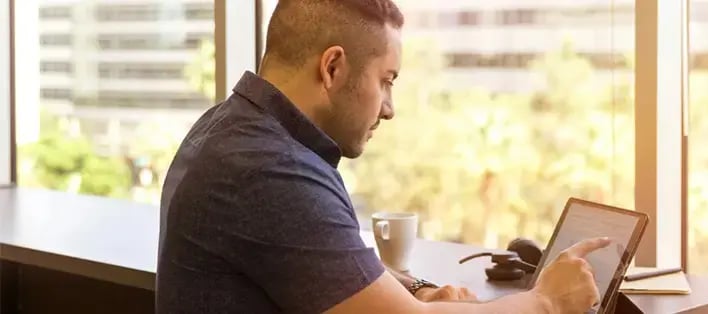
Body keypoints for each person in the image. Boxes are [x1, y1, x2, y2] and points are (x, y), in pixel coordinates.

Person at [155, 0, 611, 313]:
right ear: (332, 67)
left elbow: (310, 255)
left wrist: (409, 292)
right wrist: (546, 301)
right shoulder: (270, 169)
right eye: (387, 80)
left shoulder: (231, 127)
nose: (389, 108)